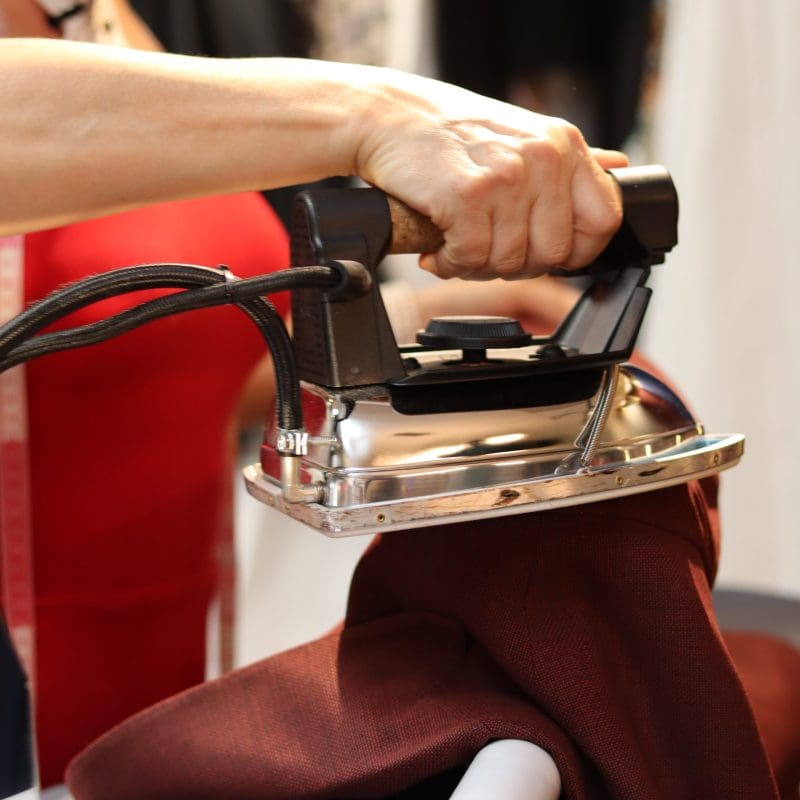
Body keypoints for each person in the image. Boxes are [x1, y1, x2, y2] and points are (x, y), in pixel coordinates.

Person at [0, 0, 627, 787]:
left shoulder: (88, 16)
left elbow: (177, 348)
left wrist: (404, 319)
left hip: (153, 689)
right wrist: (375, 113)